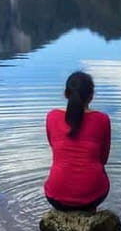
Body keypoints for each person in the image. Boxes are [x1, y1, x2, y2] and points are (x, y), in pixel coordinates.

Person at [44, 71, 111, 212]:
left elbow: (54, 147)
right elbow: (103, 159)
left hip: (56, 197)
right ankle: (90, 216)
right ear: (91, 96)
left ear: (65, 93)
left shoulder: (52, 117)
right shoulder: (102, 119)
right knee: (98, 167)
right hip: (92, 198)